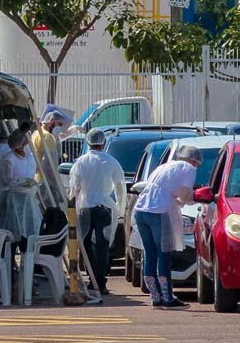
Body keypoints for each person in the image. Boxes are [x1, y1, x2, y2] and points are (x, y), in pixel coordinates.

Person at [132, 145, 202, 308]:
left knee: (150, 253)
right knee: (164, 252)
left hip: (141, 209)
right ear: (193, 160)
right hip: (159, 211)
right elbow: (185, 194)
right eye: (197, 164)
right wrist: (194, 198)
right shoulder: (188, 168)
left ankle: (155, 297)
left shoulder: (164, 166)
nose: (197, 167)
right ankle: (168, 297)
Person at [68, 128, 126, 295]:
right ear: (104, 142)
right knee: (102, 245)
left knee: (85, 244)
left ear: (87, 142)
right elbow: (120, 187)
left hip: (84, 206)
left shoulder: (80, 162)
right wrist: (120, 209)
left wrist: (72, 206)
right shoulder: (111, 161)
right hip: (105, 206)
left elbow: (74, 188)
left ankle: (91, 278)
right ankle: (101, 281)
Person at [0, 128, 42, 245]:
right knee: (12, 235)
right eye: (26, 141)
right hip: (12, 203)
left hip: (28, 203)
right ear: (20, 143)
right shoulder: (9, 159)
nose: (28, 143)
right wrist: (21, 184)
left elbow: (31, 177)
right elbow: (7, 181)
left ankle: (25, 259)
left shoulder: (30, 158)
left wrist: (29, 185)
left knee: (28, 235)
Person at [30, 111, 64, 205]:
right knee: (53, 215)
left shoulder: (37, 133)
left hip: (38, 179)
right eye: (59, 124)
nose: (60, 128)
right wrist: (56, 184)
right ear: (52, 121)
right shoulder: (47, 137)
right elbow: (50, 164)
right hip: (46, 183)